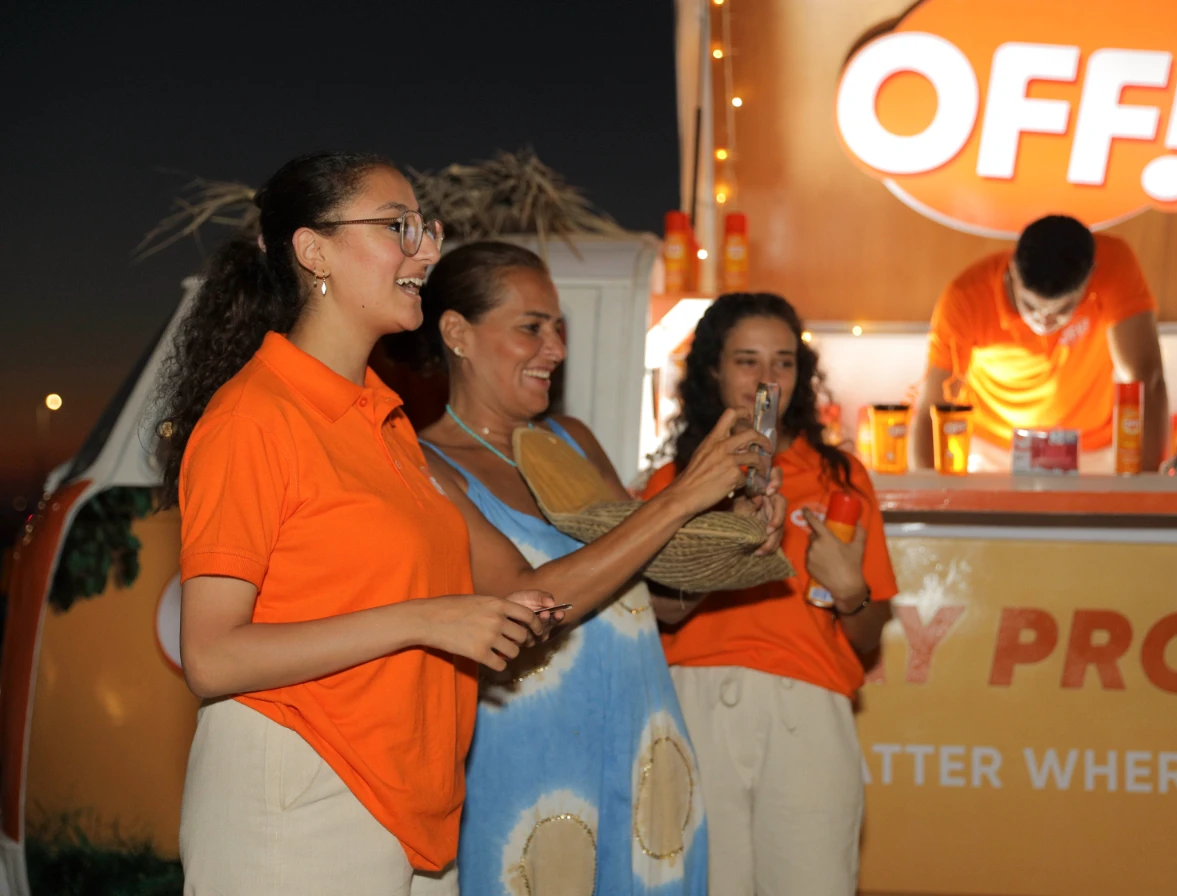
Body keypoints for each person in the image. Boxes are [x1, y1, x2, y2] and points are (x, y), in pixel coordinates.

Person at [158, 152, 558, 896]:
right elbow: (211, 655)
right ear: (315, 252)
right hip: (301, 791)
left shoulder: (385, 421)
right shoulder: (254, 417)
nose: (427, 251)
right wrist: (429, 618)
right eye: (398, 227)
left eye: (427, 229)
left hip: (410, 803)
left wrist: (493, 616)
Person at [386, 241, 788, 895]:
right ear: (457, 332)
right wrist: (681, 498)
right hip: (532, 761)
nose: (555, 348)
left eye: (559, 328)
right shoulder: (426, 464)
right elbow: (526, 602)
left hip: (641, 744)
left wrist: (734, 533)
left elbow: (658, 602)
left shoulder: (571, 441)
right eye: (531, 328)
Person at [641, 292, 898, 896]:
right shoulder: (674, 482)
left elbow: (867, 636)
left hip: (807, 708)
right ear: (713, 369)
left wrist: (851, 591)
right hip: (695, 702)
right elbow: (654, 616)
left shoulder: (840, 477)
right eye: (747, 360)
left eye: (783, 361)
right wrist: (724, 535)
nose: (767, 379)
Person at [912, 215, 1169, 472]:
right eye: (1029, 305)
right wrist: (927, 490)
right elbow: (933, 409)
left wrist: (1147, 484)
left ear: (1091, 276)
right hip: (993, 448)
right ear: (1012, 270)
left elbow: (1147, 378)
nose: (1044, 321)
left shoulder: (1114, 264)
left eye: (1064, 309)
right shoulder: (966, 299)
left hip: (1094, 446)